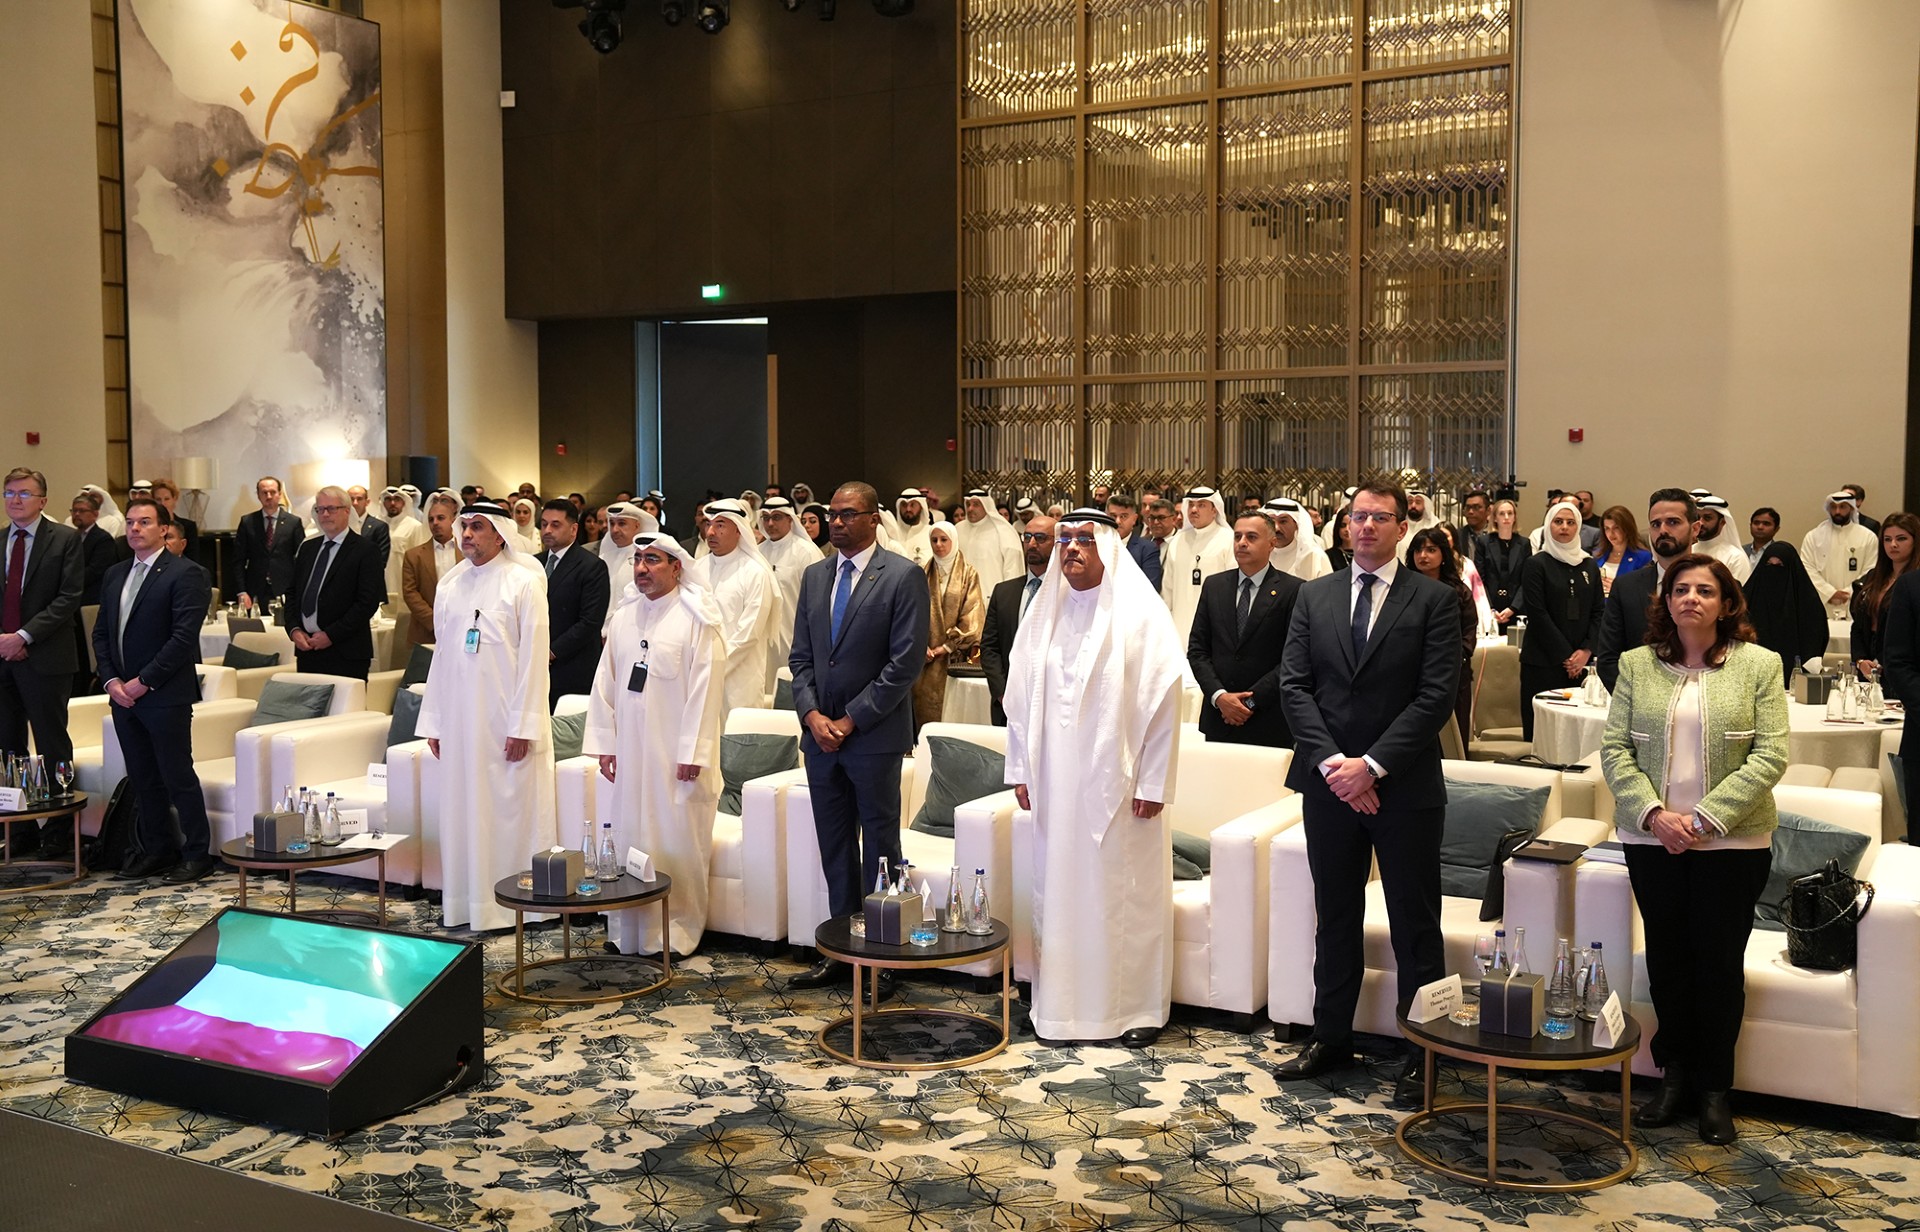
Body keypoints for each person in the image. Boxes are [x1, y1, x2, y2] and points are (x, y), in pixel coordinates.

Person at [1272, 482, 1461, 1109]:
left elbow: (1436, 696)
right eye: (1358, 518)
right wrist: (1335, 767)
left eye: (1380, 518)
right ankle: (1331, 1036)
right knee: (1335, 915)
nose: (1367, 528)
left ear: (1402, 528)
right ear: (1344, 525)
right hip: (1328, 787)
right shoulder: (1314, 595)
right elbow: (1296, 687)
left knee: (1414, 921)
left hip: (1403, 787)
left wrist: (1372, 768)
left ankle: (1421, 1046)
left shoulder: (1434, 599)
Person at [1601, 555, 1785, 1146]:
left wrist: (1705, 819)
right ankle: (1672, 1076)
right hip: (1652, 839)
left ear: (1726, 601)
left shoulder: (1760, 665)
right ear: (1667, 601)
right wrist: (1655, 816)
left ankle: (1714, 1089)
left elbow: (1771, 755)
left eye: (1705, 590)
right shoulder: (1636, 665)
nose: (1692, 599)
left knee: (1718, 964)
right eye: (1681, 589)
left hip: (1733, 842)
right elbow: (1614, 750)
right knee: (1669, 962)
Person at [1006, 508, 1185, 1048]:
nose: (1073, 549)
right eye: (1066, 540)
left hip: (1124, 788)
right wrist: (1020, 770)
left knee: (1120, 896)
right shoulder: (1045, 614)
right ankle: (1059, 1007)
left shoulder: (1140, 616)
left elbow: (1164, 702)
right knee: (1058, 891)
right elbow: (1017, 700)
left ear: (1108, 546)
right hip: (1056, 786)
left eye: (1085, 539)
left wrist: (1154, 781)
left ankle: (1133, 1011)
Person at [785, 482, 930, 995]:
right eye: (833, 514)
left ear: (874, 519)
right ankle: (842, 951)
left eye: (849, 514)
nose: (838, 522)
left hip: (872, 738)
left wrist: (849, 720)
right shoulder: (815, 575)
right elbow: (800, 657)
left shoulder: (903, 576)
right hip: (820, 737)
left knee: (882, 848)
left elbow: (905, 663)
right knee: (835, 846)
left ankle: (884, 956)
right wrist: (811, 716)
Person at [416, 500, 556, 931]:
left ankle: (520, 905)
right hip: (460, 724)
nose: (468, 535)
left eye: (478, 527)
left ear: (499, 533)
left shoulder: (523, 583)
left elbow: (535, 661)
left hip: (505, 725)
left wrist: (523, 725)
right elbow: (440, 658)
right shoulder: (451, 586)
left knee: (511, 814)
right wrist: (435, 721)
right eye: (464, 527)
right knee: (463, 813)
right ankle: (466, 902)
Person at [586, 534, 726, 957]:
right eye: (637, 560)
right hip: (630, 756)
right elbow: (604, 684)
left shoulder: (697, 618)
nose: (642, 568)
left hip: (678, 761)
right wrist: (605, 745)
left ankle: (676, 934)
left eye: (652, 560)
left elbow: (707, 690)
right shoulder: (625, 615)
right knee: (628, 836)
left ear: (676, 566)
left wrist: (692, 753)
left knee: (677, 843)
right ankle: (626, 930)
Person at [93, 497, 215, 883]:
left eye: (144, 522)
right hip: (123, 696)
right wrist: (112, 681)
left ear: (164, 529)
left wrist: (143, 681)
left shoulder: (186, 573)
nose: (134, 529)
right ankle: (157, 849)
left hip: (164, 695)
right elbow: (101, 635)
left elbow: (182, 639)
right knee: (143, 777)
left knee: (177, 775)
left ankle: (197, 854)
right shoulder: (115, 574)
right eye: (130, 522)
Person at [1, 468, 85, 857]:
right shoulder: (0, 540)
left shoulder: (65, 539)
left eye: (23, 494)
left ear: (43, 500)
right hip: (3, 658)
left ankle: (58, 829)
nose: (15, 500)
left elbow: (69, 597)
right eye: (9, 493)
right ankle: (17, 828)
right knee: (7, 745)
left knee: (52, 742)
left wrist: (23, 636)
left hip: (46, 657)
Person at [1188, 510, 1300, 748]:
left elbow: (1294, 659)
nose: (1242, 543)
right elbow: (1198, 650)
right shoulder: (1215, 585)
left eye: (1251, 537)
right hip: (1219, 717)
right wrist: (1220, 697)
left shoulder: (1294, 590)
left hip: (1268, 718)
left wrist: (1248, 704)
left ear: (1271, 544)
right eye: (1237, 536)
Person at [1597, 489, 1702, 691]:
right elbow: (1608, 660)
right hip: (1639, 708)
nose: (1663, 530)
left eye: (1673, 522)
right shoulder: (1626, 587)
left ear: (1695, 529)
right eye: (1656, 524)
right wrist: (1643, 703)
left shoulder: (1719, 586)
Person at [1517, 501, 1604, 737]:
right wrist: (1567, 656)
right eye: (1558, 521)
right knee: (1543, 733)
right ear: (1548, 525)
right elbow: (1538, 613)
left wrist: (1586, 650)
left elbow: (1599, 611)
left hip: (1581, 663)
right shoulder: (1536, 564)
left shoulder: (1589, 565)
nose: (1564, 527)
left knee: (1575, 733)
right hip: (1543, 662)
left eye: (1570, 522)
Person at [281, 486, 385, 679]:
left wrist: (331, 635)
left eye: (331, 509)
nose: (325, 514)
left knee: (345, 709)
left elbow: (366, 603)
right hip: (307, 650)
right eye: (320, 509)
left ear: (347, 511)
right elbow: (293, 593)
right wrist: (294, 629)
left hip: (346, 652)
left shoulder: (365, 550)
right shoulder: (308, 548)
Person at [688, 499, 775, 712]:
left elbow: (749, 634)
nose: (710, 533)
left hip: (739, 678)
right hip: (698, 674)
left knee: (735, 739)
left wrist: (715, 666)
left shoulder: (755, 572)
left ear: (739, 531)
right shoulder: (697, 569)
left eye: (720, 525)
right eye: (708, 525)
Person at [980, 513, 1054, 728]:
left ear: (1057, 543)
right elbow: (990, 647)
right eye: (1027, 537)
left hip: (1053, 706)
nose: (1031, 543)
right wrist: (1003, 693)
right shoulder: (1004, 591)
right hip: (1008, 707)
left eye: (1040, 538)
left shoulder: (1068, 592)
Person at [536, 499, 610, 709]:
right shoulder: (533, 563)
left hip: (571, 666)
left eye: (555, 525)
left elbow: (590, 622)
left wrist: (551, 651)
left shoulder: (591, 566)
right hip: (534, 666)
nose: (547, 530)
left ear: (573, 529)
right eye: (544, 524)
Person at [911, 519, 984, 729]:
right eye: (934, 540)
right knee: (926, 715)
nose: (939, 545)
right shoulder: (921, 573)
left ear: (954, 541)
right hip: (925, 661)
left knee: (953, 716)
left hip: (955, 659)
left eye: (944, 539)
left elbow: (973, 615)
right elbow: (912, 613)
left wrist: (947, 646)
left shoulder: (969, 574)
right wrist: (920, 646)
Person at [1408, 526, 1477, 748]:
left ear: (1443, 554)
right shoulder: (1402, 590)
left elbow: (1468, 632)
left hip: (1453, 674)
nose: (1423, 556)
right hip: (1410, 676)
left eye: (1430, 550)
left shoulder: (1459, 591)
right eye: (1418, 550)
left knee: (1453, 742)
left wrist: (1453, 661)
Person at [758, 496, 819, 693]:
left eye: (776, 517)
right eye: (766, 518)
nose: (770, 524)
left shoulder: (806, 552)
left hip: (796, 635)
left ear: (790, 519)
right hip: (765, 638)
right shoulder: (758, 552)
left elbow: (817, 601)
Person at [1161, 486, 1234, 643]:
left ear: (1214, 510)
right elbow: (1167, 589)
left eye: (1201, 505)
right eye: (1191, 505)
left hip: (1214, 630)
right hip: (1178, 629)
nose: (1194, 510)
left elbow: (1233, 589)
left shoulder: (1228, 540)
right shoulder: (1177, 541)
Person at [1851, 512, 1919, 679]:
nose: (1893, 544)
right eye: (1887, 539)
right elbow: (1858, 624)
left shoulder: (1915, 582)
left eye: (1901, 538)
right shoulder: (1872, 578)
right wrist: (1860, 660)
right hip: (1867, 664)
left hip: (1904, 666)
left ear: (1915, 541)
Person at [233, 475, 303, 610]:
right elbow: (238, 560)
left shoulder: (293, 522)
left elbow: (302, 558)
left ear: (280, 494)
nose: (269, 496)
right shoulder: (247, 522)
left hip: (285, 589)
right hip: (255, 590)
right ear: (258, 495)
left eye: (273, 492)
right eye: (264, 493)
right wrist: (241, 591)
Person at [1802, 491, 1879, 614]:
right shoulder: (1813, 536)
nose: (1837, 511)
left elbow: (1871, 569)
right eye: (1833, 507)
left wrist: (1849, 593)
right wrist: (1829, 593)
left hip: (1855, 604)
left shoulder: (1868, 537)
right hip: (1822, 605)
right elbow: (1807, 568)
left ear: (1851, 508)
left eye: (1842, 506)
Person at [401, 493, 460, 647]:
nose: (435, 523)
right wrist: (434, 621)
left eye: (441, 518)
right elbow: (410, 593)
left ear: (452, 520)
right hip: (426, 630)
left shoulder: (468, 552)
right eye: (431, 519)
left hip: (462, 627)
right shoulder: (414, 555)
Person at [950, 488, 1023, 591]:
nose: (970, 509)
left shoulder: (1004, 531)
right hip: (962, 598)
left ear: (986, 505)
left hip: (992, 599)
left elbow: (1013, 571)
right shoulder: (958, 530)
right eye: (968, 504)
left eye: (976, 504)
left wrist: (1007, 598)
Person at [1262, 497, 1331, 582]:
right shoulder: (1255, 553)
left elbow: (1327, 591)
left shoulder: (1314, 556)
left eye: (1283, 522)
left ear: (1296, 524)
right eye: (1271, 522)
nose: (1276, 528)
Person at [1106, 493, 1162, 591]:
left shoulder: (1147, 549)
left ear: (1134, 519)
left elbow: (1151, 588)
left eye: (1123, 516)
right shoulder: (1096, 545)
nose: (1117, 521)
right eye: (1113, 516)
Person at [1594, 505, 1653, 598]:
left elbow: (1646, 591)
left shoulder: (1643, 557)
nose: (1611, 533)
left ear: (1627, 528)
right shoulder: (1597, 555)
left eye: (1616, 528)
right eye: (1607, 528)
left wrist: (1618, 589)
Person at [1692, 494, 1752, 584]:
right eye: (1698, 518)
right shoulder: (1689, 550)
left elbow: (1738, 595)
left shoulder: (1735, 557)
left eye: (1707, 518)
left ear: (1722, 522)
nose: (1701, 523)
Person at [892, 488, 934, 566]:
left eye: (912, 505)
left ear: (921, 507)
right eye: (904, 505)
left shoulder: (931, 532)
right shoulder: (892, 533)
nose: (908, 509)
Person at [1324, 505, 1354, 573]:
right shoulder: (1329, 556)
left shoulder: (1365, 554)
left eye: (1351, 525)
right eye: (1343, 525)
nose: (1347, 529)